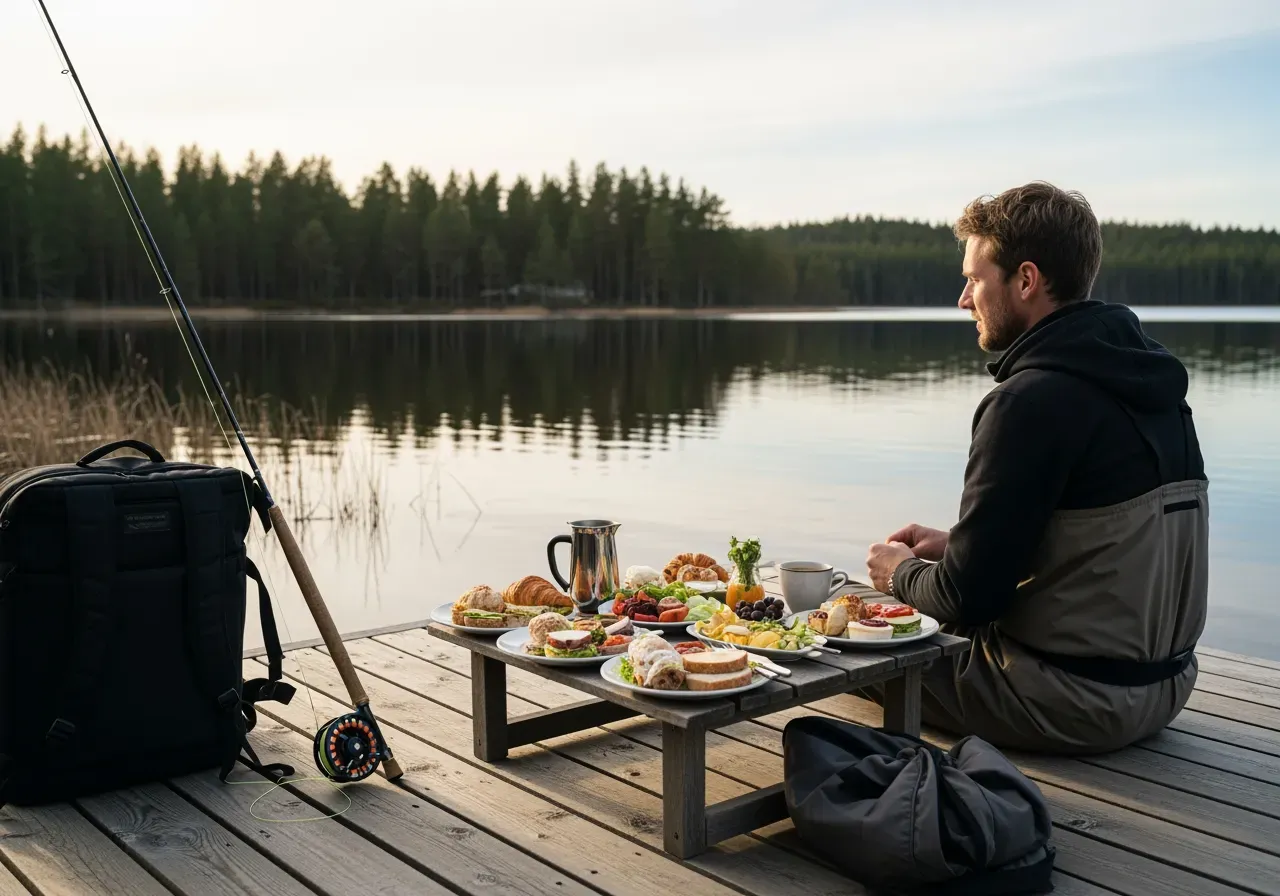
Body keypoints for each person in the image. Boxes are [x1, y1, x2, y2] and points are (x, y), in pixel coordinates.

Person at [863, 181, 1209, 755]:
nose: (963, 298)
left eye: (974, 278)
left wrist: (898, 573)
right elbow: (1103, 546)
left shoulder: (1030, 401)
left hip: (1071, 701)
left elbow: (969, 600)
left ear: (1025, 281)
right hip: (1166, 688)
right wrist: (961, 544)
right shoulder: (1154, 387)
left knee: (845, 625)